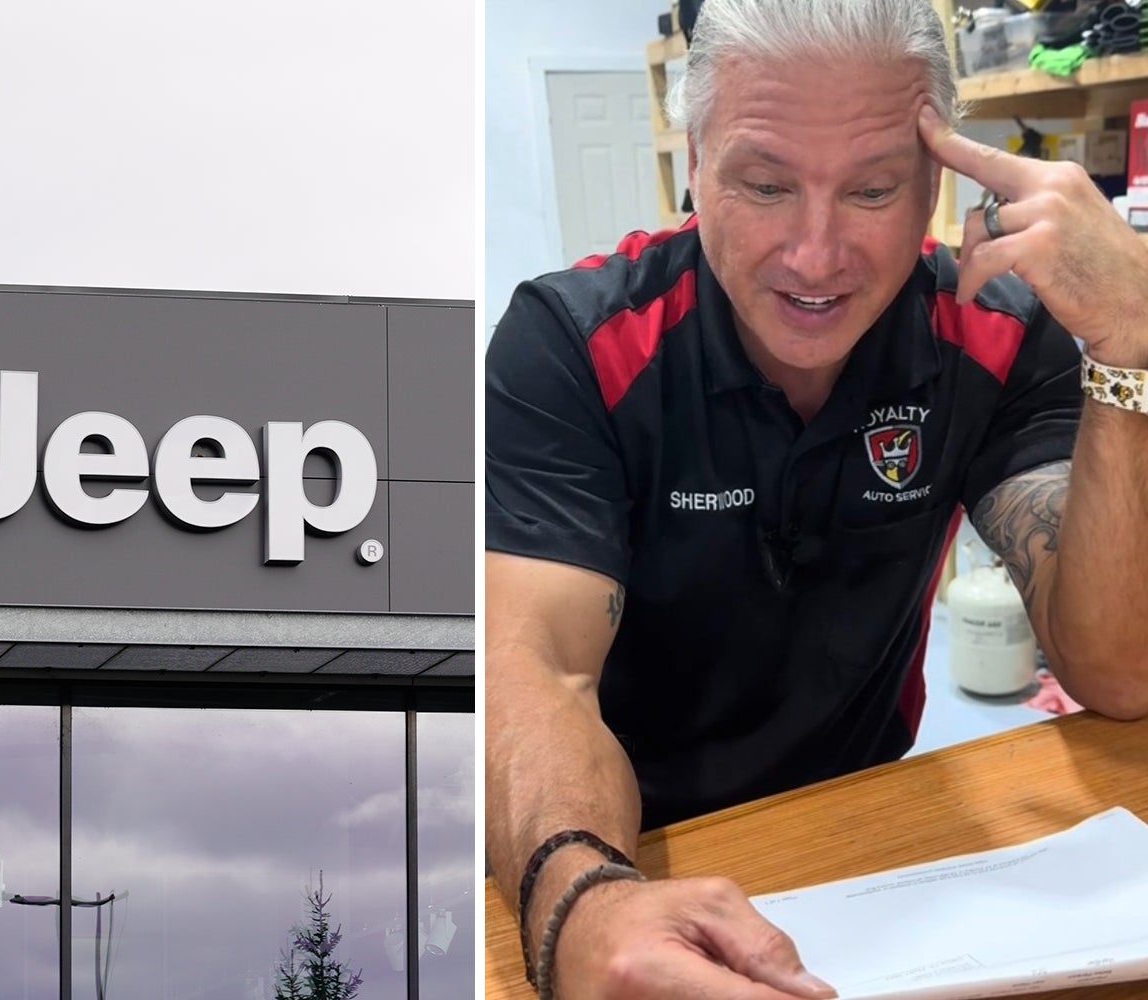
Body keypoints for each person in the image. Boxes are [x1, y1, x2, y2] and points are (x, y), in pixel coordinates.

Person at [484, 0, 1148, 996]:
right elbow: (535, 668)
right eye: (764, 184)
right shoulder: (571, 345)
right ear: (695, 161)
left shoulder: (994, 332)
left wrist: (1129, 344)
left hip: (871, 839)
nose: (815, 255)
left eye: (872, 190)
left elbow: (1120, 673)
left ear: (936, 180)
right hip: (623, 847)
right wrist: (584, 898)